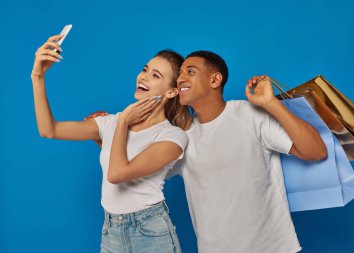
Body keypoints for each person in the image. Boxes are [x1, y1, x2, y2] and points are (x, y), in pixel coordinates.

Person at [86, 51, 327, 253]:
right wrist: (106, 135)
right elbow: (134, 173)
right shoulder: (181, 138)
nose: (181, 79)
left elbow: (316, 151)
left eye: (190, 71)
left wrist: (271, 103)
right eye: (179, 73)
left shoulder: (249, 114)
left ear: (215, 80)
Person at [31, 34, 192, 253]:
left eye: (155, 75)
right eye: (145, 69)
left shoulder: (172, 136)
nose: (143, 77)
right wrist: (37, 75)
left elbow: (116, 174)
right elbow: (49, 130)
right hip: (111, 231)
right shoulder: (111, 122)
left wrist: (123, 122)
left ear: (172, 91)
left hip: (151, 233)